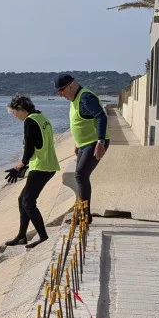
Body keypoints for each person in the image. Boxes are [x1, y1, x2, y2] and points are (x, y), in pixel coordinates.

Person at [4, 95, 61, 249]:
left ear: (21, 109)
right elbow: (39, 143)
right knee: (22, 199)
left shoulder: (30, 121)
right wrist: (24, 165)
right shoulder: (41, 117)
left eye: (14, 113)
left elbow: (30, 147)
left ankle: (43, 236)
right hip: (48, 165)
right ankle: (22, 236)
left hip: (41, 167)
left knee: (28, 202)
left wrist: (21, 165)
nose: (14, 116)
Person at [54, 74, 110, 223]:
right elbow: (80, 122)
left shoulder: (86, 97)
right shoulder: (74, 100)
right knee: (79, 177)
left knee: (80, 175)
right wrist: (77, 143)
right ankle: (82, 213)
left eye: (61, 91)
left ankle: (84, 216)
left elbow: (101, 117)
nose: (61, 95)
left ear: (71, 86)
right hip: (84, 144)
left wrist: (100, 142)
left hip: (95, 142)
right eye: (58, 92)